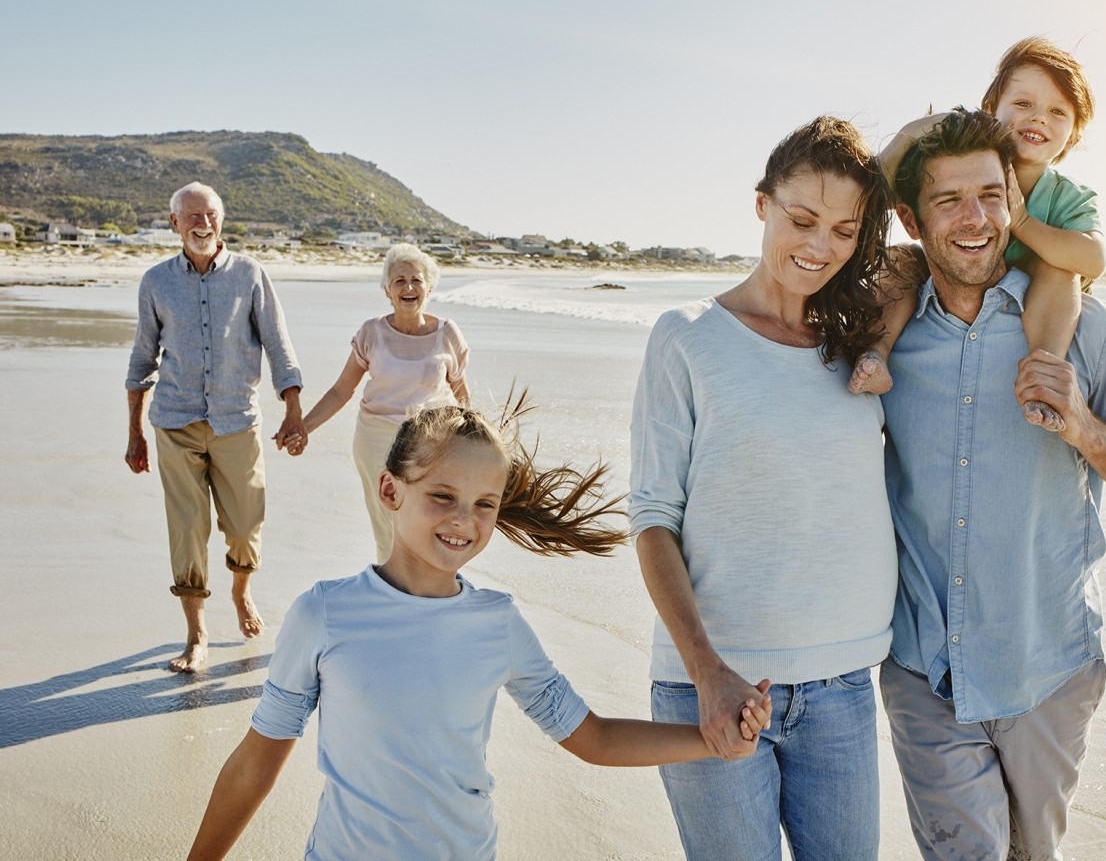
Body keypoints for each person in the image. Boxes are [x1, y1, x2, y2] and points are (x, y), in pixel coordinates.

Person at [185, 400, 772, 861]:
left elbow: (591, 738)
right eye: (443, 496)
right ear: (390, 490)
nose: (464, 520)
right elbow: (256, 762)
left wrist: (714, 739)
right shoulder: (325, 613)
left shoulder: (498, 623)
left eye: (484, 504)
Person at [877, 108, 1106, 860]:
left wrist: (1085, 427)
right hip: (925, 672)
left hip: (1047, 668)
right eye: (949, 201)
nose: (977, 219)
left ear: (1016, 201)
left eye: (991, 194)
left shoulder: (1088, 329)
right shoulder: (883, 336)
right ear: (913, 222)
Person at [630, 116, 899, 861]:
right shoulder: (686, 337)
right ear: (761, 205)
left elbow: (929, 250)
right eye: (801, 219)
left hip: (843, 687)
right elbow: (652, 519)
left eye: (846, 230)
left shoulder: (858, 343)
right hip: (711, 685)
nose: (820, 247)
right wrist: (708, 672)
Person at [850, 38, 1106, 436]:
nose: (1038, 118)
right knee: (903, 259)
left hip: (1039, 306)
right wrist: (917, 130)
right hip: (960, 285)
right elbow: (867, 193)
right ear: (991, 111)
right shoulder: (956, 162)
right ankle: (875, 354)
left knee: (1061, 268)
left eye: (1058, 112)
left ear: (1073, 136)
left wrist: (1020, 222)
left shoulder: (1065, 195)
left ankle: (1043, 375)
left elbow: (1093, 260)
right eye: (1023, 104)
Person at [125, 182, 306, 673]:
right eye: (192, 216)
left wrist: (293, 409)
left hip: (237, 422)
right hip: (175, 422)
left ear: (222, 221)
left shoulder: (250, 274)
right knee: (186, 531)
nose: (202, 224)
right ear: (174, 223)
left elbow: (278, 344)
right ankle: (196, 634)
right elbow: (142, 358)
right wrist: (135, 431)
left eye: (211, 215)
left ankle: (241, 591)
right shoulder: (156, 282)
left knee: (246, 525)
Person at [280, 243, 469, 564]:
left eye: (416, 280)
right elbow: (342, 390)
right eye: (399, 280)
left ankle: (430, 579)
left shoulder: (447, 333)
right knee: (388, 518)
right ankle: (392, 581)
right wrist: (303, 428)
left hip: (432, 441)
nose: (408, 287)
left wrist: (473, 440)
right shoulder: (372, 332)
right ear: (387, 290)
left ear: (430, 286)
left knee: (429, 514)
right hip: (375, 438)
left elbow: (461, 392)